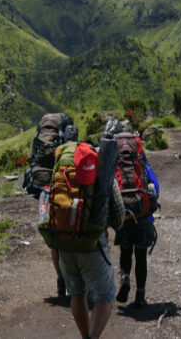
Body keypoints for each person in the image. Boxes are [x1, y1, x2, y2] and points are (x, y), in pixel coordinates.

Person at [52, 119, 125, 339]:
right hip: (92, 244)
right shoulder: (98, 171)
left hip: (64, 243)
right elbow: (119, 215)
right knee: (105, 295)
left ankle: (85, 336)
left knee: (76, 293)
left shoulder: (62, 170)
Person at [23, 113, 78, 300]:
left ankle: (60, 278)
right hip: (61, 186)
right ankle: (73, 279)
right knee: (69, 229)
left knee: (53, 235)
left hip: (43, 185)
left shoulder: (40, 131)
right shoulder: (66, 130)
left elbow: (32, 157)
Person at [114, 133, 159, 309]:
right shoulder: (143, 167)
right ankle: (140, 295)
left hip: (124, 215)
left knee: (125, 252)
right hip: (142, 216)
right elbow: (156, 188)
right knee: (141, 257)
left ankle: (125, 278)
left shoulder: (117, 167)